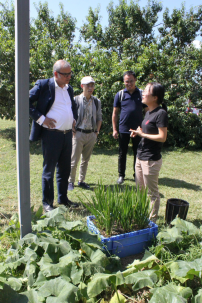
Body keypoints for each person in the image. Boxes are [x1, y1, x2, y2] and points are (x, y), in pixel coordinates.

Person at [29, 59, 78, 212]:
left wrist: (73, 119)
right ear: (56, 74)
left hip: (67, 135)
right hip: (51, 135)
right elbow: (25, 101)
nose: (69, 77)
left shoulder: (68, 89)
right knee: (49, 170)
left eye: (70, 74)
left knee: (64, 169)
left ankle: (63, 198)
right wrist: (42, 119)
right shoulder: (44, 85)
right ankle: (47, 203)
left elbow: (72, 106)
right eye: (65, 74)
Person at [130, 82, 168, 222]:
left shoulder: (161, 113)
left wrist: (143, 135)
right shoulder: (148, 112)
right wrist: (137, 132)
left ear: (155, 97)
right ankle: (142, 217)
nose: (143, 93)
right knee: (140, 191)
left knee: (152, 193)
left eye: (146, 91)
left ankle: (151, 221)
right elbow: (146, 131)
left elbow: (162, 137)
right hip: (140, 157)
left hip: (151, 159)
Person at [112, 71, 147, 184]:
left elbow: (147, 113)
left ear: (135, 80)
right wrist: (114, 129)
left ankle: (136, 174)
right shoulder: (120, 94)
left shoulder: (142, 94)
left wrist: (145, 129)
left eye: (131, 81)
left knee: (138, 153)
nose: (129, 83)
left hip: (138, 130)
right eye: (127, 81)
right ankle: (121, 175)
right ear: (124, 82)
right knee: (122, 153)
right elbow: (115, 113)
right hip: (123, 129)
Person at [68, 76, 102, 190]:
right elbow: (70, 115)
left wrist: (96, 132)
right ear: (82, 86)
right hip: (78, 133)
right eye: (88, 85)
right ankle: (70, 181)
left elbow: (99, 117)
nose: (90, 88)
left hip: (91, 134)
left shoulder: (96, 101)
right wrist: (73, 129)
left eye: (92, 85)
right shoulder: (75, 100)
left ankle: (81, 181)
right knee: (74, 160)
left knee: (85, 160)